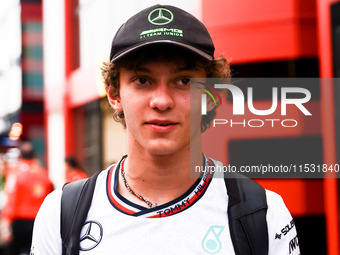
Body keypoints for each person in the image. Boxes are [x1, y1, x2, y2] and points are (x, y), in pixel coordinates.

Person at [31, 5, 300, 254]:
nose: (162, 101)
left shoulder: (263, 214)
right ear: (114, 94)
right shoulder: (61, 215)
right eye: (143, 80)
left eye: (183, 81)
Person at [0, 141, 54, 255]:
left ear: (20, 156)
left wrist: (5, 226)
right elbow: (51, 198)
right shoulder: (44, 174)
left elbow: (11, 201)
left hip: (20, 222)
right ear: (34, 155)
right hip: (40, 221)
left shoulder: (15, 175)